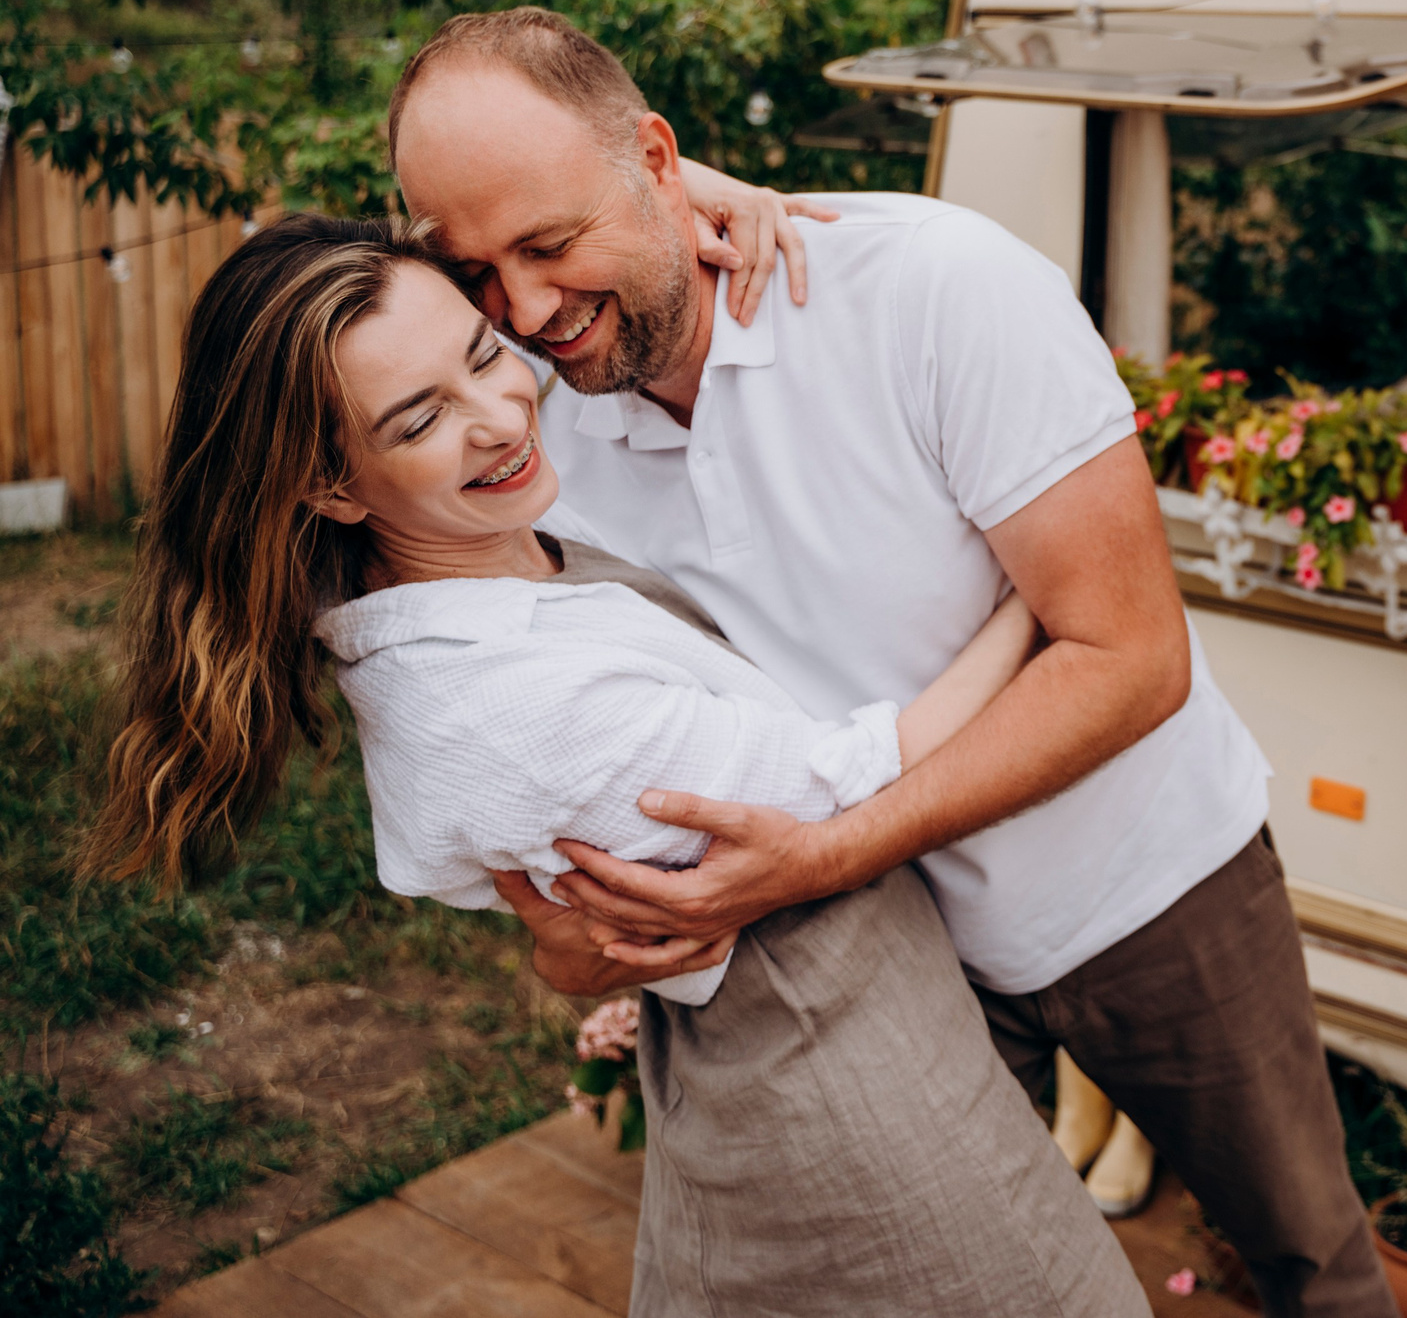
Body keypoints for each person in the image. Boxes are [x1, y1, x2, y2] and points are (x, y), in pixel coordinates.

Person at [392, 7, 1399, 1318]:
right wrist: (576, 940)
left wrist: (830, 849)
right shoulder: (520, 418)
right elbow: (337, 315)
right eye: (478, 269)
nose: (525, 310)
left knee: (1309, 1257)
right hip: (889, 952)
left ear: (655, 157)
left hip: (1149, 891)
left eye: (551, 241)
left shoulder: (932, 290)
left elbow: (1132, 654)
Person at [84, 215, 1150, 1318]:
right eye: (420, 418)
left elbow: (501, 190)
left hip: (852, 1045)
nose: (502, 416)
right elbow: (861, 773)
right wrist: (1040, 589)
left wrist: (677, 184)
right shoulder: (509, 707)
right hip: (845, 1096)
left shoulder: (471, 545)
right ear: (332, 485)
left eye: (486, 353)